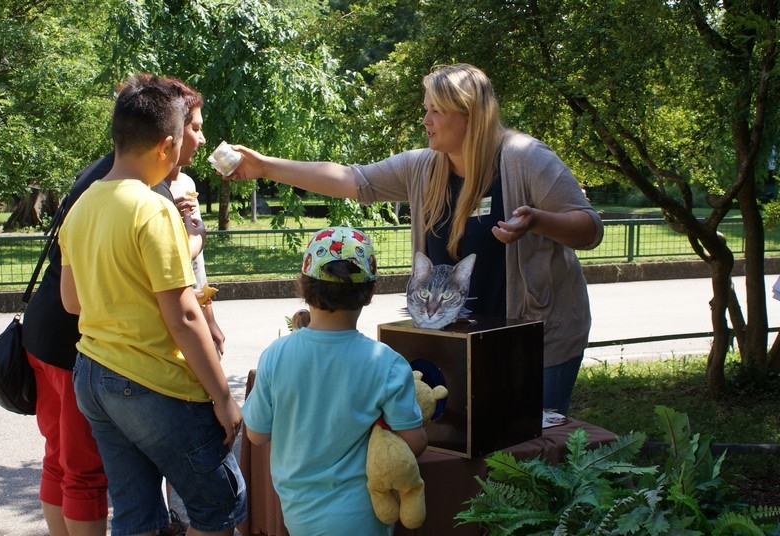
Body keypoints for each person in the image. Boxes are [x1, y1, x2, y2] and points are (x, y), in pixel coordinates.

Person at [226, 63, 603, 416]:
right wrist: (265, 167)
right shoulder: (422, 166)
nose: (426, 121)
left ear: (470, 113)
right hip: (458, 343)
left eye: (437, 111)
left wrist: (538, 220)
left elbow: (589, 229)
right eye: (427, 109)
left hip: (537, 344)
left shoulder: (526, 158)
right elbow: (351, 180)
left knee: (533, 457)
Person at [22, 75, 218, 536]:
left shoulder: (93, 183)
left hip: (45, 334)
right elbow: (170, 296)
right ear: (166, 139)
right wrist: (191, 240)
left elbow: (77, 285)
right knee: (87, 474)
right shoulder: (147, 194)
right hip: (88, 348)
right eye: (193, 126)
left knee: (63, 462)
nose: (201, 138)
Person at [242, 226, 427, 536]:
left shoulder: (276, 355)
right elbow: (414, 443)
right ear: (369, 292)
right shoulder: (387, 362)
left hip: (299, 515)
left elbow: (257, 435)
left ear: (303, 286)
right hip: (366, 515)